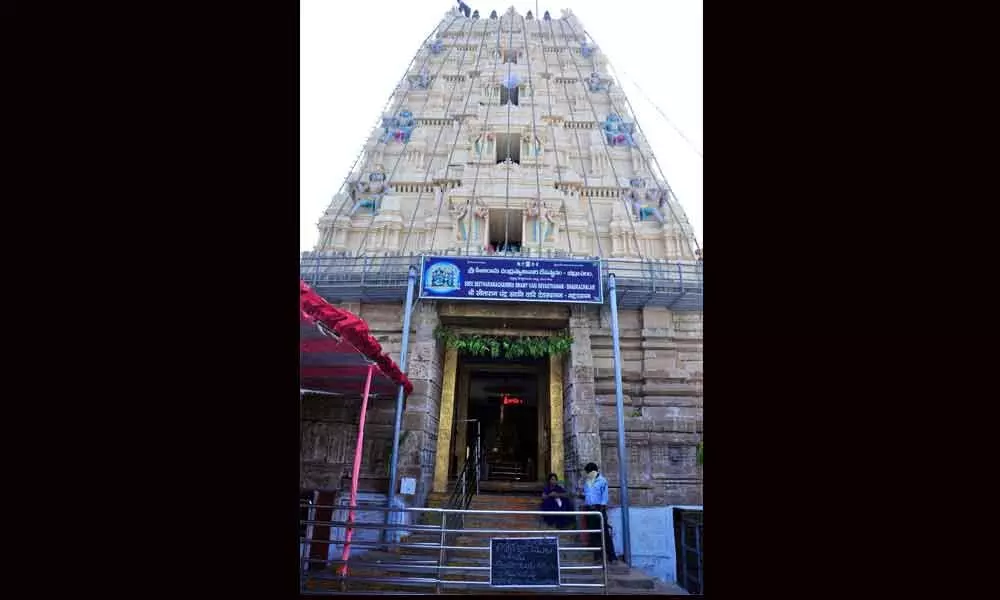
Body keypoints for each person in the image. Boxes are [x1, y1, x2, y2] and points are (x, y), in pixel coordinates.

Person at [576, 462, 617, 563]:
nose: (586, 474)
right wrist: (581, 495)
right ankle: (598, 557)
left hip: (599, 509)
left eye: (587, 472)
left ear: (592, 471)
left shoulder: (602, 481)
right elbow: (587, 495)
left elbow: (605, 497)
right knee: (593, 533)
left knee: (605, 533)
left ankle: (612, 557)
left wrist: (601, 510)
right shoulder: (587, 482)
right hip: (589, 509)